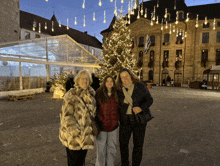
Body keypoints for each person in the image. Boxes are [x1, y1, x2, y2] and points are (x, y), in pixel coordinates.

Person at [116, 68, 153, 166]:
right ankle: (125, 164)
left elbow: (149, 99)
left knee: (138, 146)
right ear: (120, 79)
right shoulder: (118, 90)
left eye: (126, 76)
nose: (125, 79)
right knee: (123, 145)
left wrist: (141, 108)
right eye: (122, 77)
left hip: (139, 120)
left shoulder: (140, 86)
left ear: (131, 75)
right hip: (125, 121)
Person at [59, 70, 96, 166]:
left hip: (86, 136)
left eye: (87, 79)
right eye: (82, 78)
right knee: (73, 162)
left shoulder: (91, 95)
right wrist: (76, 132)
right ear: (77, 80)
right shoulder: (71, 95)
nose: (85, 81)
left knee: (81, 161)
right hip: (74, 137)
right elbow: (66, 116)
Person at [95, 75, 119, 166]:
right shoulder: (99, 92)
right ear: (104, 82)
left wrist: (117, 120)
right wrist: (100, 119)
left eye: (111, 81)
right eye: (107, 81)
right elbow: (95, 107)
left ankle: (110, 164)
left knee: (112, 148)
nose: (109, 83)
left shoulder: (116, 93)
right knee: (101, 148)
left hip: (113, 126)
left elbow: (119, 108)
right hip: (102, 126)